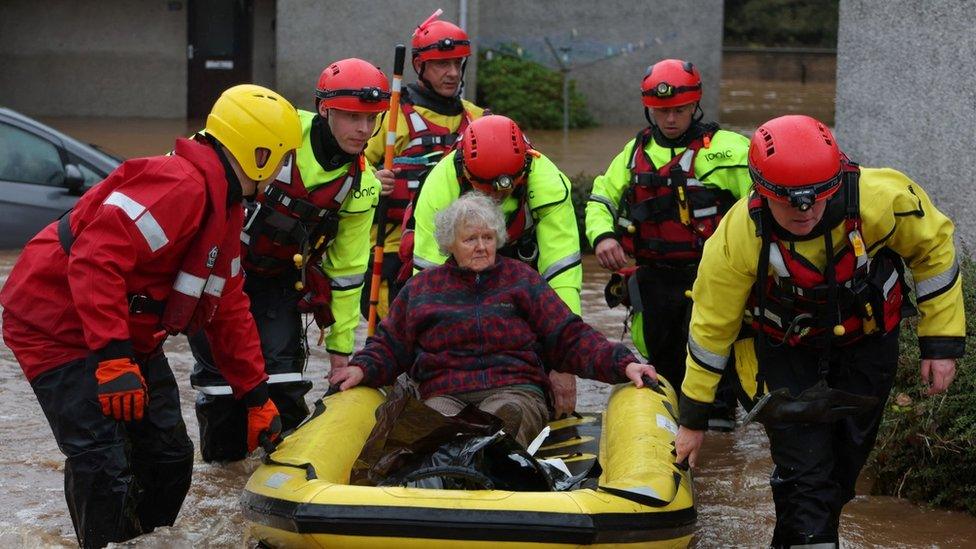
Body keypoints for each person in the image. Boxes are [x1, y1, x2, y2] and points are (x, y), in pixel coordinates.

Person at [0, 84, 300, 548]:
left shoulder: (227, 207)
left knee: (170, 458)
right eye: (281, 159)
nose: (283, 171)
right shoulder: (177, 186)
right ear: (260, 153)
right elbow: (96, 260)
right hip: (56, 326)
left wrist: (255, 395)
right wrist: (113, 359)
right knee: (102, 462)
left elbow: (230, 307)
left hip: (122, 334)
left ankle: (140, 539)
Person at [674, 115, 964, 547]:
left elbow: (934, 250)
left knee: (840, 475)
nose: (804, 213)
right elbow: (711, 328)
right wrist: (694, 418)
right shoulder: (737, 236)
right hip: (782, 352)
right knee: (806, 474)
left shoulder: (882, 197)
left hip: (866, 344)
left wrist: (940, 343)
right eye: (789, 202)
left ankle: (794, 536)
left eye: (815, 200)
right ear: (761, 190)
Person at [330, 192, 657, 446]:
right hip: (445, 392)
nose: (481, 247)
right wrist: (361, 368)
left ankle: (488, 466)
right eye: (470, 239)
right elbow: (390, 343)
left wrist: (623, 364)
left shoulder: (522, 280)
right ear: (450, 245)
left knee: (502, 417)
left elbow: (570, 336)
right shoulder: (421, 289)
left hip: (514, 390)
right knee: (434, 420)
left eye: (488, 238)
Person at [188, 58, 388, 462]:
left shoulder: (361, 185)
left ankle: (281, 476)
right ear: (326, 109)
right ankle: (222, 480)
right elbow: (203, 153)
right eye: (353, 117)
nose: (364, 130)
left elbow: (347, 273)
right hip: (216, 276)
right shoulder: (278, 125)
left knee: (284, 385)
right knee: (222, 389)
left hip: (279, 281)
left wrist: (339, 351)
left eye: (372, 119)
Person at [585, 58, 751, 431]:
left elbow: (760, 208)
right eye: (661, 112)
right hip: (654, 279)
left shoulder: (731, 151)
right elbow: (601, 200)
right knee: (665, 367)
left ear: (695, 106)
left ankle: (719, 437)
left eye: (678, 110)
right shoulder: (632, 154)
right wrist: (604, 236)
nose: (670, 119)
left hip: (713, 277)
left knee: (713, 364)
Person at [402, 114, 583, 419]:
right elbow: (427, 286)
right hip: (458, 269)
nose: (495, 198)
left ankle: (522, 394)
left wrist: (563, 362)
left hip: (523, 265)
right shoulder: (439, 186)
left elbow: (562, 274)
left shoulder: (547, 181)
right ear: (466, 173)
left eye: (504, 190)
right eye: (487, 190)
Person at [364, 10, 485, 318]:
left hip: (462, 252)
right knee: (403, 339)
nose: (453, 73)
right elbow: (354, 164)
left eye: (457, 64)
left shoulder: (476, 119)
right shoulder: (393, 115)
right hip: (394, 249)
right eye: (443, 64)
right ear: (421, 66)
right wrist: (374, 178)